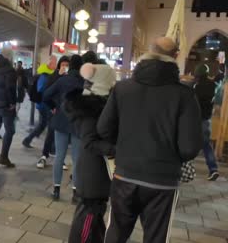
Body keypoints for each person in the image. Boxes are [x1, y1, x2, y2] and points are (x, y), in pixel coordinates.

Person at [99, 37, 203, 243]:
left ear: (148, 52)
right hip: (162, 182)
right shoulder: (184, 95)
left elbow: (103, 129)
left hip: (125, 174)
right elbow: (189, 147)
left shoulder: (123, 88)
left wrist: (122, 148)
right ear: (175, 56)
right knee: (156, 237)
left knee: (116, 233)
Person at [64, 63, 116, 243]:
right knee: (89, 215)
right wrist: (115, 150)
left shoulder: (94, 106)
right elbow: (89, 142)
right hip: (92, 172)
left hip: (94, 171)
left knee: (94, 214)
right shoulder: (91, 109)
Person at [43, 55, 85, 201]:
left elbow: (46, 95)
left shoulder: (62, 80)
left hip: (61, 120)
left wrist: (54, 107)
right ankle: (75, 192)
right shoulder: (85, 83)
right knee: (76, 158)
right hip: (78, 123)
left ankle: (56, 189)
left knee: (59, 156)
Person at [0, 48, 18, 167]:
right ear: (9, 57)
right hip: (6, 105)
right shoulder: (9, 70)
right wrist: (12, 103)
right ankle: (4, 157)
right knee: (10, 130)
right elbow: (10, 89)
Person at [193, 64, 219, 181]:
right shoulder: (213, 85)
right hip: (206, 119)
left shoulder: (196, 86)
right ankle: (213, 169)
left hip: (195, 119)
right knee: (206, 145)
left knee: (186, 143)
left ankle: (182, 169)